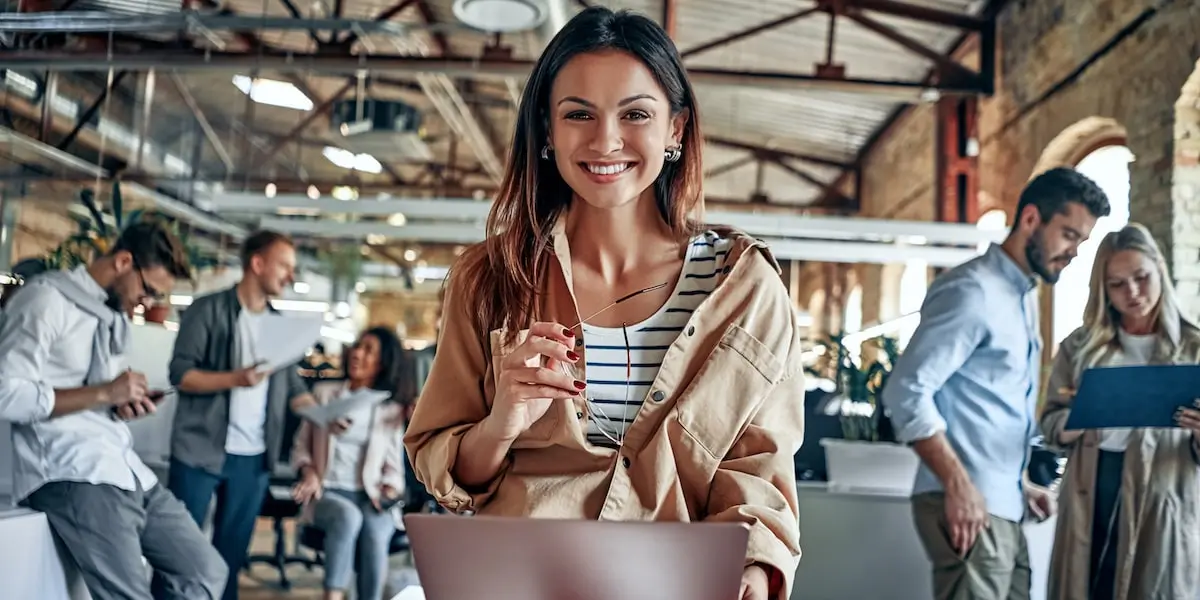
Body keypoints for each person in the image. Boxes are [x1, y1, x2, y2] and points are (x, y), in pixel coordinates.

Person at [403, 7, 806, 600]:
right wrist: (499, 424)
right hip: (520, 583)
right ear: (547, 130)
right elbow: (445, 466)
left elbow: (760, 469)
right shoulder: (490, 277)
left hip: (676, 588)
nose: (605, 140)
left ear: (675, 129)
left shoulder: (745, 290)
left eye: (635, 114)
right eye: (578, 114)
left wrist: (753, 568)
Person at [881, 167, 1110, 600]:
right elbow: (906, 390)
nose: (1074, 253)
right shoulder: (972, 291)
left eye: (1082, 241)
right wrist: (959, 485)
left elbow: (986, 403)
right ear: (1031, 220)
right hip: (970, 501)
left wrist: (1017, 484)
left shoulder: (1022, 296)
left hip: (1002, 503)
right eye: (1068, 235)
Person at [0, 220, 227, 600]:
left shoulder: (111, 316)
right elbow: (6, 393)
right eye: (148, 290)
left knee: (205, 572)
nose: (149, 303)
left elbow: (95, 400)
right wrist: (105, 392)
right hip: (72, 472)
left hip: (123, 467)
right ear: (123, 262)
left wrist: (119, 405)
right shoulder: (44, 300)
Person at [1040, 223, 1200, 600]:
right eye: (1117, 284)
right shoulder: (1079, 347)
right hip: (1092, 486)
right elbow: (1049, 423)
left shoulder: (1194, 348)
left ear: (1159, 269)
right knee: (1088, 586)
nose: (1133, 293)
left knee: (1153, 584)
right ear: (1103, 289)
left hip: (1163, 490)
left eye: (1142, 278)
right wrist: (1081, 417)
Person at [166, 229, 315, 600]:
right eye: (284, 266)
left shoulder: (280, 326)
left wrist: (326, 415)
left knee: (230, 559)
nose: (290, 275)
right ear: (257, 263)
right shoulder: (207, 310)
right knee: (178, 554)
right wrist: (236, 378)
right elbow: (181, 374)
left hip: (253, 458)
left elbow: (294, 390)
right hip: (199, 451)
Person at [291, 327, 408, 600]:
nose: (357, 354)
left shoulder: (389, 409)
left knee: (376, 531)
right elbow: (300, 447)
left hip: (369, 495)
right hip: (327, 492)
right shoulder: (323, 393)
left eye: (369, 350)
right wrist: (309, 472)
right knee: (347, 516)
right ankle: (332, 596)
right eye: (357, 346)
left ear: (382, 363)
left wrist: (389, 490)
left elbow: (394, 470)